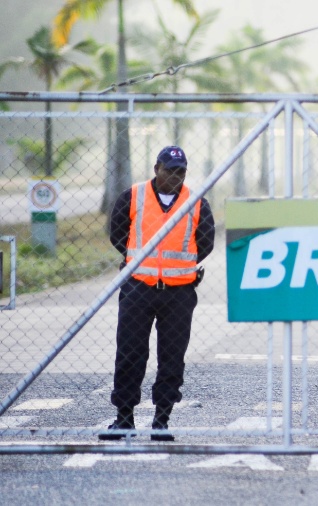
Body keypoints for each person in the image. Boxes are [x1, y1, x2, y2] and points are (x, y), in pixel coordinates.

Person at [100, 145, 215, 441]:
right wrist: (141, 261)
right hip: (138, 288)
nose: (175, 177)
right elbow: (117, 233)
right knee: (129, 353)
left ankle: (162, 420)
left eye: (181, 172)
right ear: (156, 169)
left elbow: (206, 242)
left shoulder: (195, 202)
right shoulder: (133, 196)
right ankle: (124, 418)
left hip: (179, 293)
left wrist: (180, 266)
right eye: (170, 170)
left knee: (172, 357)